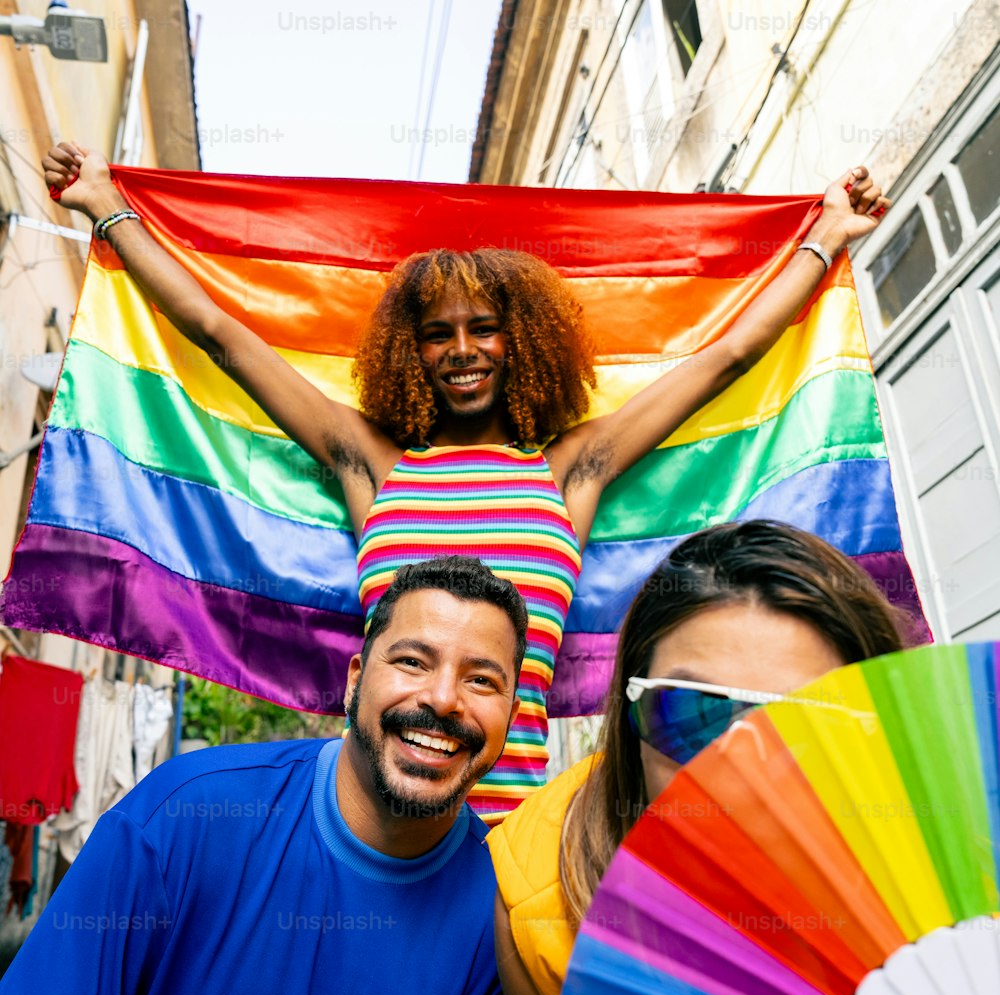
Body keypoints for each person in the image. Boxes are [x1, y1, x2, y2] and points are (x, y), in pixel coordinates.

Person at [42, 142, 889, 823]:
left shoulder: (572, 470)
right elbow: (221, 333)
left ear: (520, 342)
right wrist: (104, 205)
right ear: (411, 352)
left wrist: (828, 234)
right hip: (375, 819)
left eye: (484, 329)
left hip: (511, 831)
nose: (462, 350)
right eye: (438, 333)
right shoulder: (371, 463)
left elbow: (726, 358)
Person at [0, 556, 533, 995]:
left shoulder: (492, 934)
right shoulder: (182, 817)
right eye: (412, 660)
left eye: (482, 680)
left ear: (512, 718)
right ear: (354, 680)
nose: (443, 699)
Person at [487, 519, 908, 995]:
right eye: (689, 715)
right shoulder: (542, 897)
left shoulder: (952, 883)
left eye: (802, 731)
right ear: (628, 713)